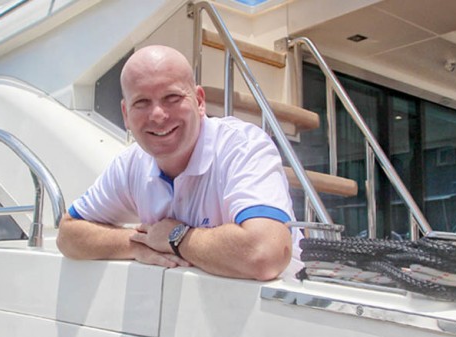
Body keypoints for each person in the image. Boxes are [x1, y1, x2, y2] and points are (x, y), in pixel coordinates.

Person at [56, 45, 299, 281]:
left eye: (172, 97)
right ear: (126, 114)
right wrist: (137, 244)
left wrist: (176, 237)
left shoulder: (242, 147)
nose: (157, 115)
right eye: (141, 102)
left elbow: (265, 254)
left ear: (199, 101)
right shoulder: (130, 164)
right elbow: (68, 235)